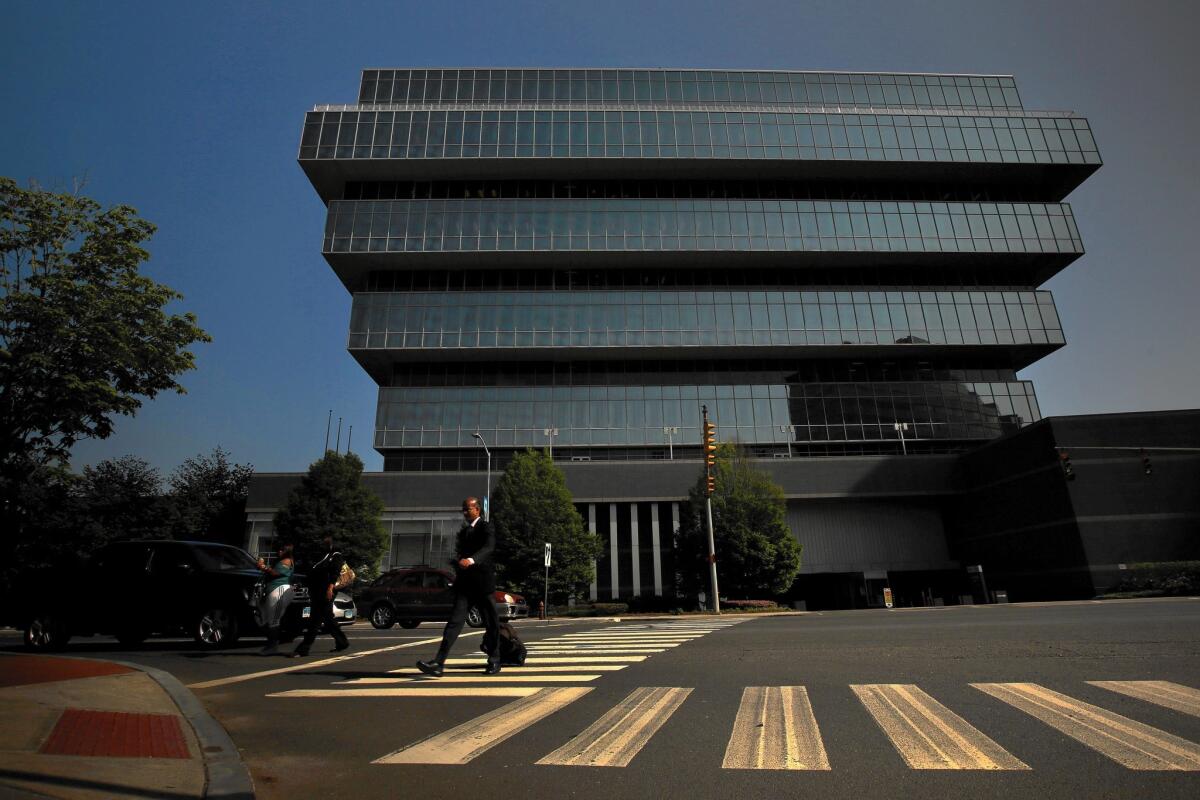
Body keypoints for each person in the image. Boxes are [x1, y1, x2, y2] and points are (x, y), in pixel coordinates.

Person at [417, 497, 502, 677]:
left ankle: (494, 660)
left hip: (482, 584)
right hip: (465, 586)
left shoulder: (486, 527)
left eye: (467, 509)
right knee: (454, 622)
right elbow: (461, 556)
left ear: (477, 510)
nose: (464, 513)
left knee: (491, 622)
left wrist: (471, 560)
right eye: (463, 509)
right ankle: (439, 663)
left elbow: (488, 548)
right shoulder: (464, 533)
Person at [290, 535, 350, 658]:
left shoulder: (336, 556)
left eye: (326, 543)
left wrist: (330, 587)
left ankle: (303, 649)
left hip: (325, 591)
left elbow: (335, 572)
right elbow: (314, 573)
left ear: (332, 545)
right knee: (328, 618)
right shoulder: (324, 557)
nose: (323, 545)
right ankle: (342, 642)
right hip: (318, 591)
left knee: (315, 619)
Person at [256, 543, 295, 655]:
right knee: (268, 618)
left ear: (287, 551)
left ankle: (272, 646)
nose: (279, 552)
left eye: (282, 549)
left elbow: (275, 573)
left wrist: (263, 566)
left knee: (273, 620)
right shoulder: (284, 560)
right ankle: (271, 645)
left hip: (280, 590)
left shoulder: (286, 561)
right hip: (274, 590)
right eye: (279, 549)